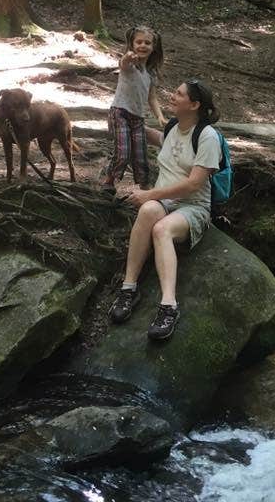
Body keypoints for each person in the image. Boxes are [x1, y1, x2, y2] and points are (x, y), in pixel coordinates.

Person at [108, 79, 222, 340]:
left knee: (161, 229)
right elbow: (163, 140)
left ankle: (168, 306)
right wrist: (128, 123)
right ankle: (128, 289)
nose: (172, 95)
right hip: (165, 203)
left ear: (194, 105)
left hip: (193, 207)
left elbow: (194, 184)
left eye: (179, 94)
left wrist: (150, 193)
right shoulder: (173, 127)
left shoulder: (207, 137)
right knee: (148, 211)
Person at [100, 25, 166, 194]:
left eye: (147, 43)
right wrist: (128, 57)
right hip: (119, 113)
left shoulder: (150, 74)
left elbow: (151, 97)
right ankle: (109, 181)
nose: (143, 45)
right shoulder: (129, 65)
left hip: (138, 119)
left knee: (140, 155)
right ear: (132, 44)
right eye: (139, 42)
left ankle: (145, 188)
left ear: (153, 47)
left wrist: (160, 116)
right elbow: (123, 62)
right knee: (123, 152)